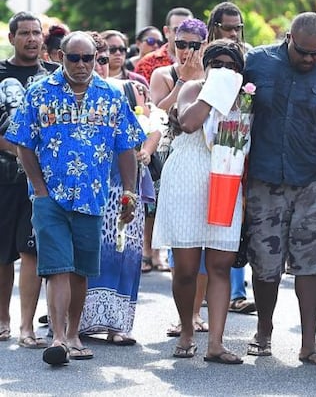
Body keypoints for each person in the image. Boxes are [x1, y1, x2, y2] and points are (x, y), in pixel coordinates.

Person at [6, 31, 144, 365]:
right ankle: (58, 338)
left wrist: (129, 191)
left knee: (81, 270)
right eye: (74, 58)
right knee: (57, 268)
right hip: (50, 196)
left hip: (92, 196)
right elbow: (23, 142)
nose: (82, 66)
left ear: (98, 58)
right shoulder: (39, 92)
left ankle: (72, 334)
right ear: (59, 57)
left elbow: (126, 146)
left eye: (89, 58)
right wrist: (38, 189)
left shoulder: (111, 95)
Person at [243, 12, 316, 365]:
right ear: (288, 38)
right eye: (303, 52)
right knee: (265, 260)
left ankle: (309, 343)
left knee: (314, 262)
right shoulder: (258, 63)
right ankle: (263, 330)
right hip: (266, 176)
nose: (309, 59)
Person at [152, 39, 248, 365]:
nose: (225, 71)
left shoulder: (246, 98)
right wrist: (215, 89)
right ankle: (187, 331)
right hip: (187, 181)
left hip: (225, 182)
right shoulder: (193, 89)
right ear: (206, 67)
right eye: (217, 64)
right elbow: (190, 123)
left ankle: (217, 344)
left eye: (231, 66)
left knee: (220, 265)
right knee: (187, 269)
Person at [78, 32, 160, 346]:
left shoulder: (131, 89)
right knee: (85, 252)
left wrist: (146, 150)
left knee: (123, 253)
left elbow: (154, 126)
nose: (97, 64)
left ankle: (117, 325)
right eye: (87, 58)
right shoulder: (69, 93)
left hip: (123, 183)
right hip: (88, 185)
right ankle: (78, 322)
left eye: (104, 57)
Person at [148, 18, 212, 336]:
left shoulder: (215, 74)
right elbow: (157, 114)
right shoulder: (163, 73)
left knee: (207, 244)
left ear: (205, 44)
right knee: (182, 247)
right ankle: (184, 316)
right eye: (180, 43)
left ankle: (198, 311)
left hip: (211, 164)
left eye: (193, 44)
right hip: (173, 161)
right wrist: (181, 84)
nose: (186, 50)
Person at [0, 12, 59, 349]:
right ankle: (2, 319)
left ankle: (26, 326)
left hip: (41, 181)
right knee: (3, 254)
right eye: (24, 33)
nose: (32, 39)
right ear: (12, 38)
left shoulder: (53, 77)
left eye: (37, 33)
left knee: (31, 250)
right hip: (4, 176)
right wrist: (17, 149)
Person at [205, 1, 256, 315]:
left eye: (238, 27)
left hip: (237, 154)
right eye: (228, 27)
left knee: (232, 226)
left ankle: (236, 292)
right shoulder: (205, 59)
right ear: (214, 28)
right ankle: (198, 301)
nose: (234, 33)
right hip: (204, 151)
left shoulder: (249, 57)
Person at [135, 7, 193, 82]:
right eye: (177, 30)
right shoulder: (147, 63)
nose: (184, 34)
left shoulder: (202, 61)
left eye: (188, 29)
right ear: (166, 32)